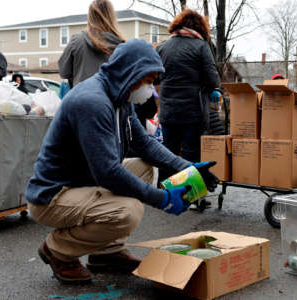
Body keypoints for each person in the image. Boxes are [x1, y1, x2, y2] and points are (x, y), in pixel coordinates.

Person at [25, 39, 218, 283]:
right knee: (128, 211)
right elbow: (108, 172)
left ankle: (107, 253)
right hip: (53, 195)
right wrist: (162, 199)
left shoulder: (119, 98)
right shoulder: (92, 102)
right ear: (131, 72)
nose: (151, 90)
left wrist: (187, 167)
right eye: (148, 81)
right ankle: (58, 250)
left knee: (144, 168)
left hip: (81, 181)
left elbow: (145, 144)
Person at [156, 9, 220, 179]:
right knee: (191, 154)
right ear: (200, 28)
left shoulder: (162, 47)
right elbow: (213, 79)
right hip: (192, 113)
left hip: (168, 111)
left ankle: (164, 194)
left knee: (168, 153)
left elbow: (155, 78)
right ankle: (191, 197)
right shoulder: (201, 46)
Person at [58, 0, 125, 88]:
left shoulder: (76, 41)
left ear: (90, 16)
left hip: (81, 98)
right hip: (110, 100)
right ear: (112, 16)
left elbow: (64, 72)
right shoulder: (122, 46)